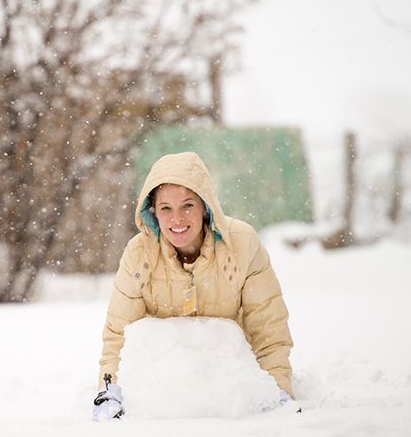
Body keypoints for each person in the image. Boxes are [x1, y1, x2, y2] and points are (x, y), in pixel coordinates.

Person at [93, 151, 294, 420]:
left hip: (230, 392)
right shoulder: (138, 254)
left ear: (205, 206)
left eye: (187, 205)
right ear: (153, 211)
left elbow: (268, 330)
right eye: (166, 208)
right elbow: (119, 333)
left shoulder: (243, 245)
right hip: (166, 394)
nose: (177, 219)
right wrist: (110, 389)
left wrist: (275, 388)